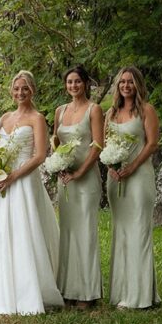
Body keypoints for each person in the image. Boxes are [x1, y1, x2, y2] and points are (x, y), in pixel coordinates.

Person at [0, 70, 63, 315]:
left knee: (26, 230)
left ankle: (29, 291)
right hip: (4, 182)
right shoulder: (4, 118)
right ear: (11, 91)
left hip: (24, 182)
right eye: (16, 88)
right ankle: (2, 287)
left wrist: (14, 176)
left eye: (25, 88)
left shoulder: (37, 118)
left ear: (32, 90)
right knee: (3, 230)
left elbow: (40, 155)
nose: (20, 93)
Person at [105, 66, 159, 310]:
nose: (126, 86)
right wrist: (111, 167)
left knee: (139, 232)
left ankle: (140, 296)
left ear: (138, 84)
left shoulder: (146, 110)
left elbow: (152, 144)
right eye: (122, 82)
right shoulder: (111, 113)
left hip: (139, 176)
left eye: (130, 82)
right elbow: (107, 144)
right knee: (123, 233)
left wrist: (133, 167)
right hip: (116, 178)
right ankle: (122, 291)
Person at [53, 65, 104, 308]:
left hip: (86, 178)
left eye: (77, 82)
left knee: (85, 232)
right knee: (68, 233)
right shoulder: (59, 111)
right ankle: (68, 290)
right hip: (65, 180)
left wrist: (81, 171)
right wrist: (59, 164)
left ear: (85, 84)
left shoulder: (94, 110)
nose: (73, 86)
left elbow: (97, 145)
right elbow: (55, 142)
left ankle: (87, 293)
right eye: (69, 82)